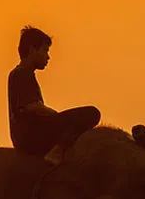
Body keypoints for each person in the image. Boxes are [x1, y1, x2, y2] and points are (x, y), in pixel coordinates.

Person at [7, 25, 101, 165]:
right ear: (32, 50)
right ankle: (58, 150)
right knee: (91, 113)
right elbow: (31, 106)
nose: (48, 57)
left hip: (29, 135)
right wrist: (57, 116)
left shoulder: (23, 74)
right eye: (45, 51)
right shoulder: (21, 73)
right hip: (31, 136)